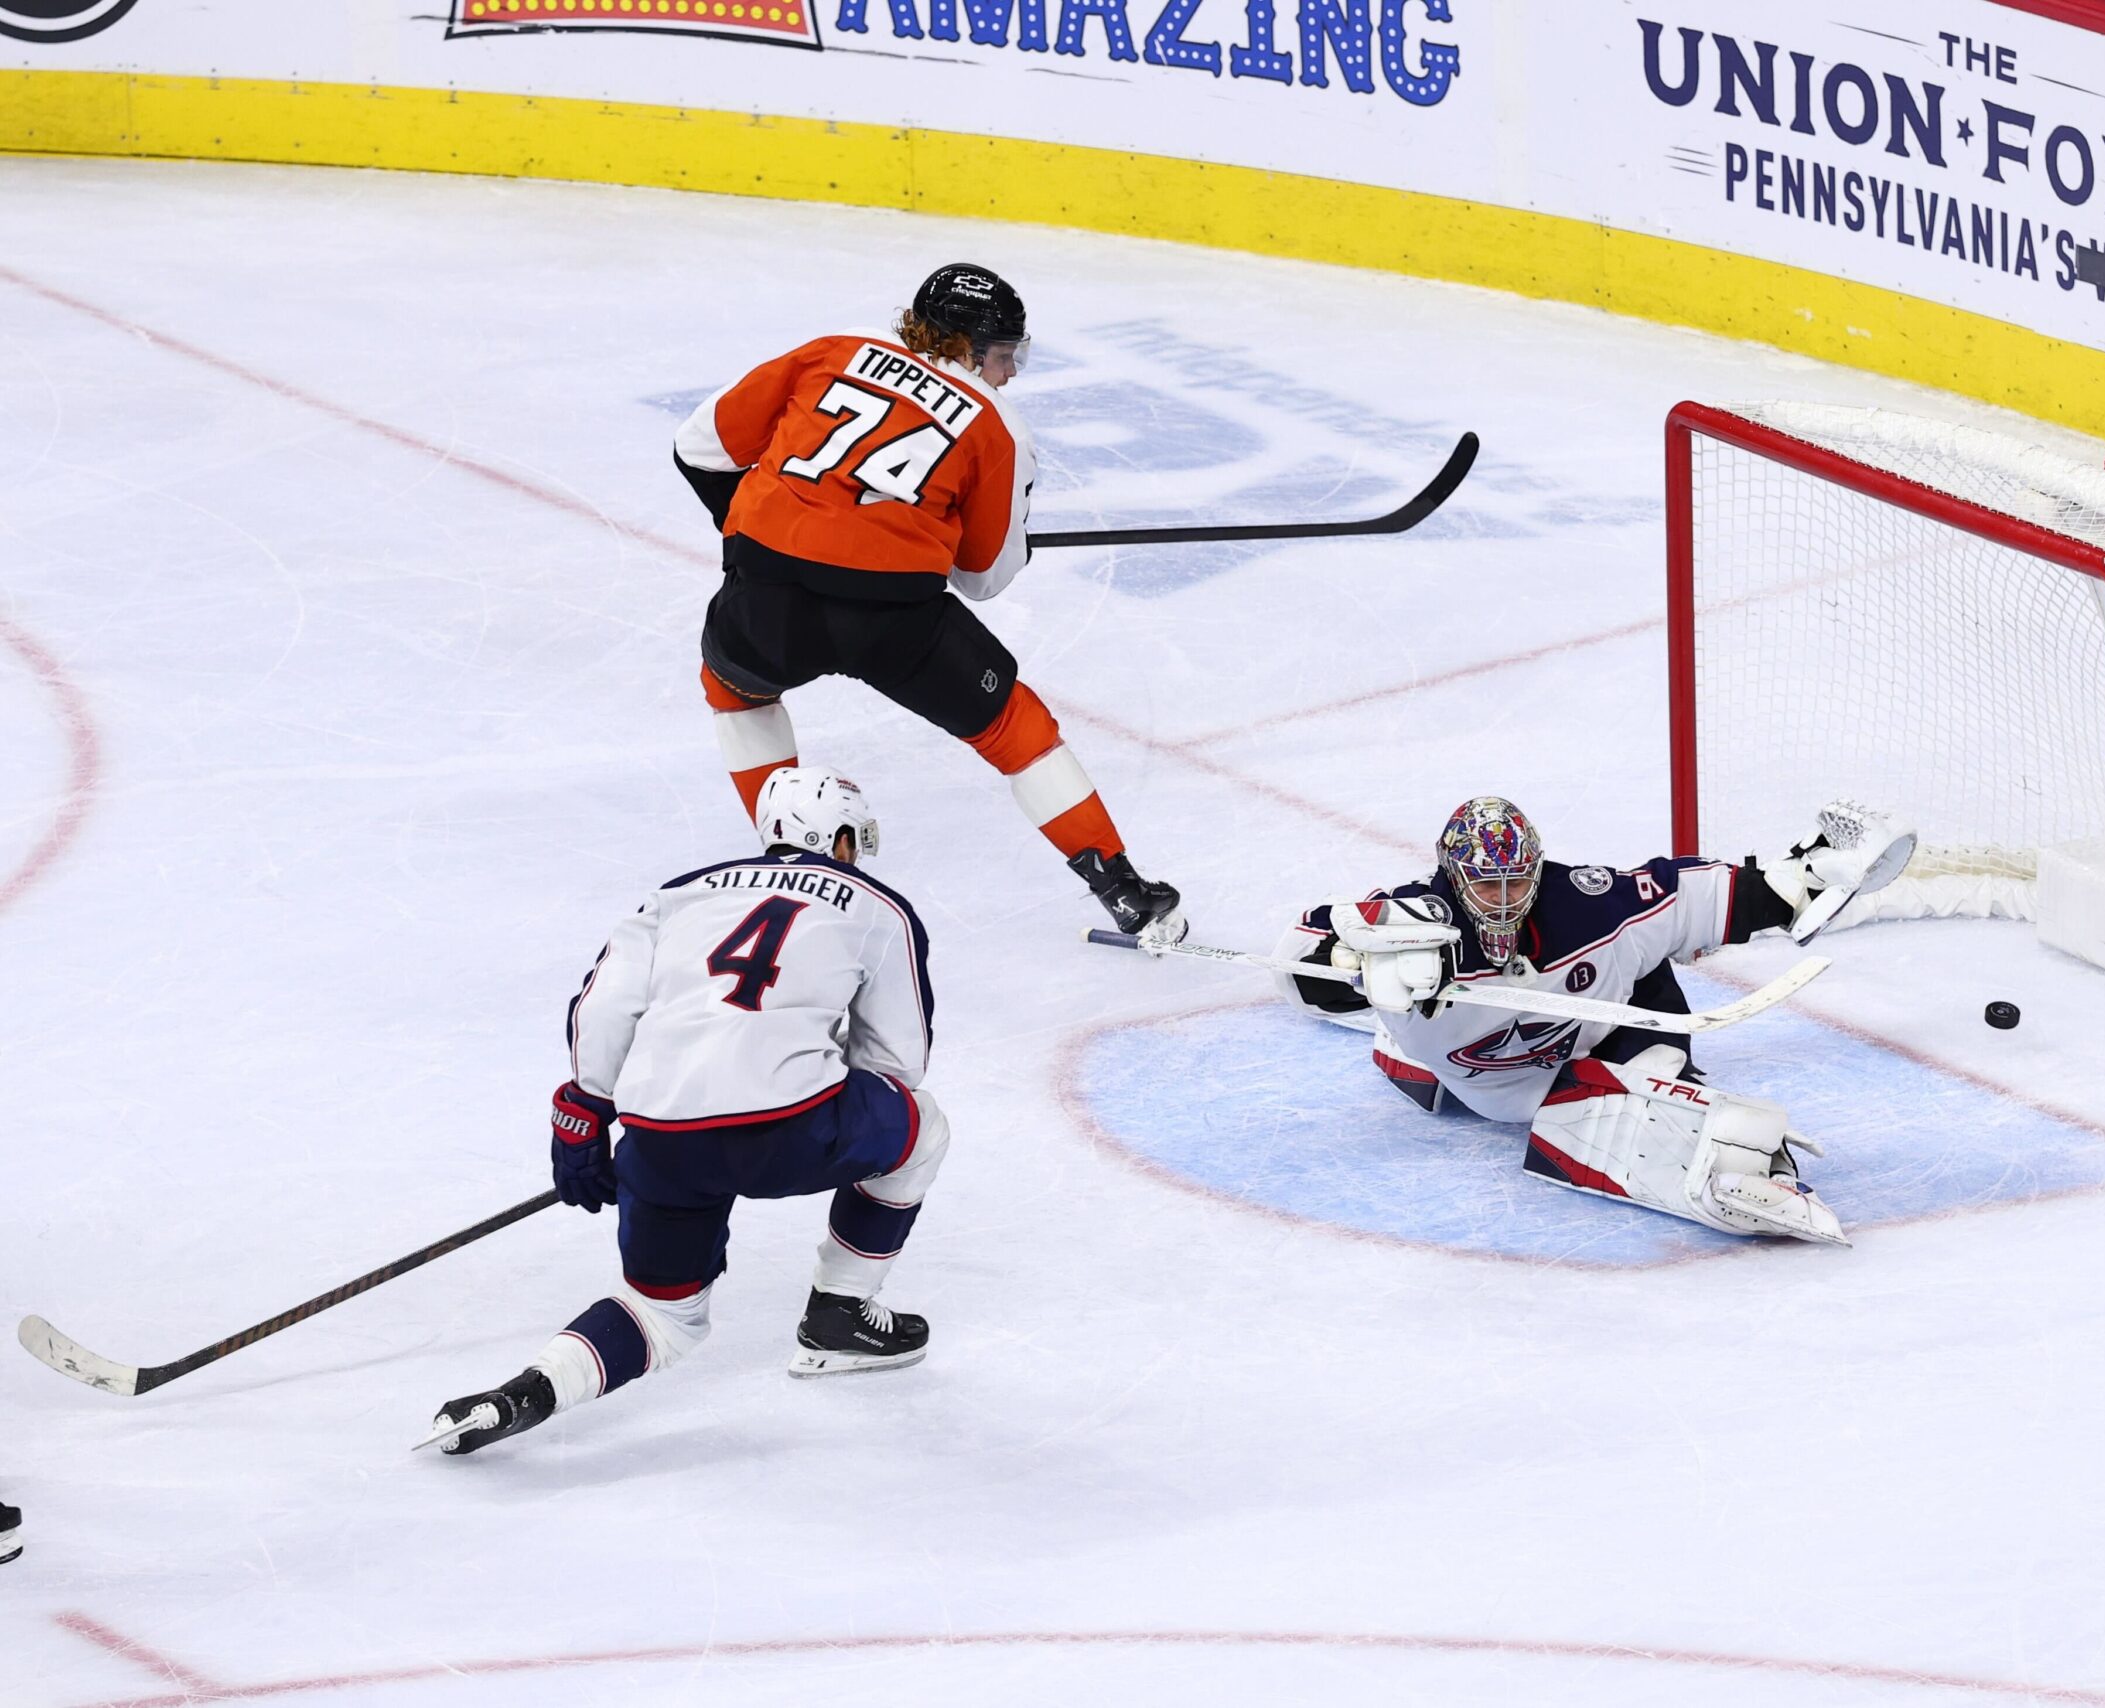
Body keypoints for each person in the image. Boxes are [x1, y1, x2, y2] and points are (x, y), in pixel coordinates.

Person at [424, 768, 948, 1456]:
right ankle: (840, 1314)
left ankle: (525, 1393)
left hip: (659, 1137)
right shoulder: (877, 907)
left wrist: (586, 1108)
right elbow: (895, 1068)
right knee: (923, 1129)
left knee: (662, 1315)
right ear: (840, 838)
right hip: (793, 1128)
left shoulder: (675, 894)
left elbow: (605, 1005)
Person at [673, 262, 1184, 945]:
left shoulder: (835, 348)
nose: (1006, 373)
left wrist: (758, 540)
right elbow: (984, 577)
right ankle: (1122, 891)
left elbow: (698, 449)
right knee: (1014, 729)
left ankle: (792, 868)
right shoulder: (999, 425)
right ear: (969, 348)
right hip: (890, 618)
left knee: (735, 692)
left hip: (766, 594)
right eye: (1002, 356)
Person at [1272, 797, 1914, 1247]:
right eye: (1485, 884)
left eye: (1516, 881)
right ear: (1452, 875)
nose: (1503, 899)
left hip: (1595, 1038)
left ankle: (1705, 1141)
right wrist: (1345, 956)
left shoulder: (1590, 904)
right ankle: (1403, 1046)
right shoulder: (1407, 923)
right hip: (1478, 1080)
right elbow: (1298, 960)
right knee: (1396, 1020)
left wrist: (1798, 879)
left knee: (1664, 1056)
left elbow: (1693, 899)